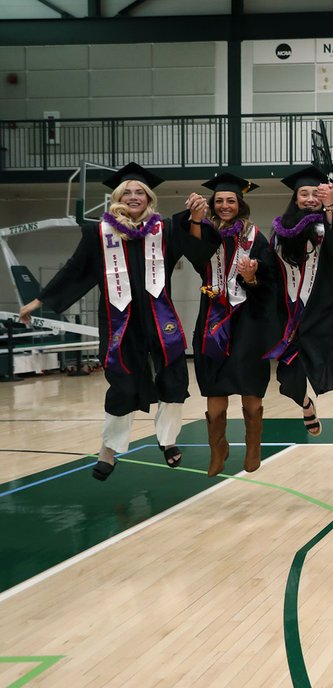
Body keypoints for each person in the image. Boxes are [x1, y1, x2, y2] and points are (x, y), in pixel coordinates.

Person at [19, 163, 196, 480]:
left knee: (173, 381)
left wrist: (196, 216)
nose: (133, 196)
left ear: (149, 198)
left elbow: (199, 241)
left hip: (159, 320)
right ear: (117, 198)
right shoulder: (98, 233)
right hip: (120, 322)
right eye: (126, 192)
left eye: (139, 191)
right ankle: (109, 451)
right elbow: (75, 270)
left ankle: (168, 440)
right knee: (122, 386)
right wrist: (40, 300)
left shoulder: (166, 230)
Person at [179, 172, 273, 477]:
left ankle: (253, 447)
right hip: (212, 316)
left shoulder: (255, 237)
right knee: (214, 387)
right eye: (218, 200)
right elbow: (193, 256)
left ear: (240, 204)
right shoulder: (204, 232)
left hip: (247, 319)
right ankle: (218, 448)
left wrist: (252, 277)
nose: (224, 205)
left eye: (230, 200)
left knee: (249, 386)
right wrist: (195, 219)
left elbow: (269, 281)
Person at [266, 165, 333, 442]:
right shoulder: (280, 231)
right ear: (295, 198)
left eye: (314, 194)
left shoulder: (328, 225)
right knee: (290, 373)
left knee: (331, 365)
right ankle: (306, 405)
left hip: (326, 308)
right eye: (303, 194)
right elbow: (272, 269)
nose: (309, 199)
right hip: (290, 313)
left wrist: (331, 207)